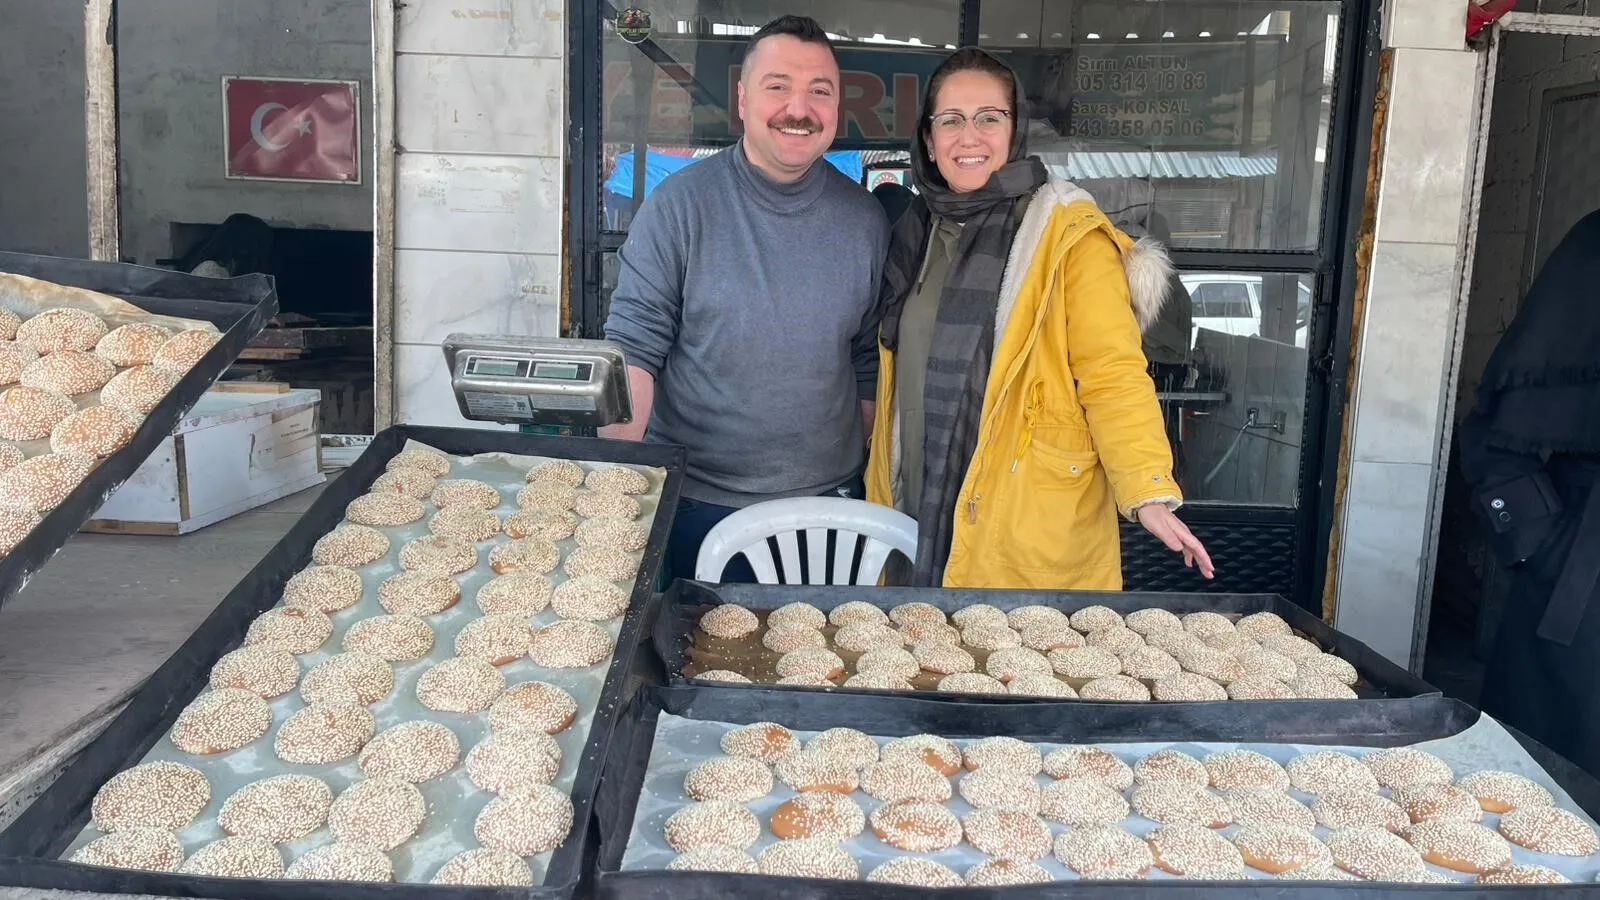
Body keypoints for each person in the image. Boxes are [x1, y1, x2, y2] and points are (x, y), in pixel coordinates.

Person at [864, 47, 1214, 589]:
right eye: (951, 120)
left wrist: (1147, 491)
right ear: (929, 141)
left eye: (989, 118)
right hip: (917, 484)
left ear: (1016, 130)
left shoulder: (1068, 233)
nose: (969, 136)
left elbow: (1111, 370)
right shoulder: (916, 232)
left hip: (1022, 505)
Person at [602, 15, 890, 583]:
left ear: (837, 107)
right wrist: (617, 490)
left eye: (819, 91)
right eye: (777, 85)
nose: (798, 108)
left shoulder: (866, 221)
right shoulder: (679, 206)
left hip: (827, 509)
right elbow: (634, 349)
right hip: (695, 503)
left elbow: (865, 363)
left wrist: (856, 476)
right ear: (742, 98)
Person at [1459, 207, 1600, 775]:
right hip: (1584, 573)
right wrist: (1545, 547)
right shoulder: (1594, 248)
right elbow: (1497, 437)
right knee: (1555, 781)